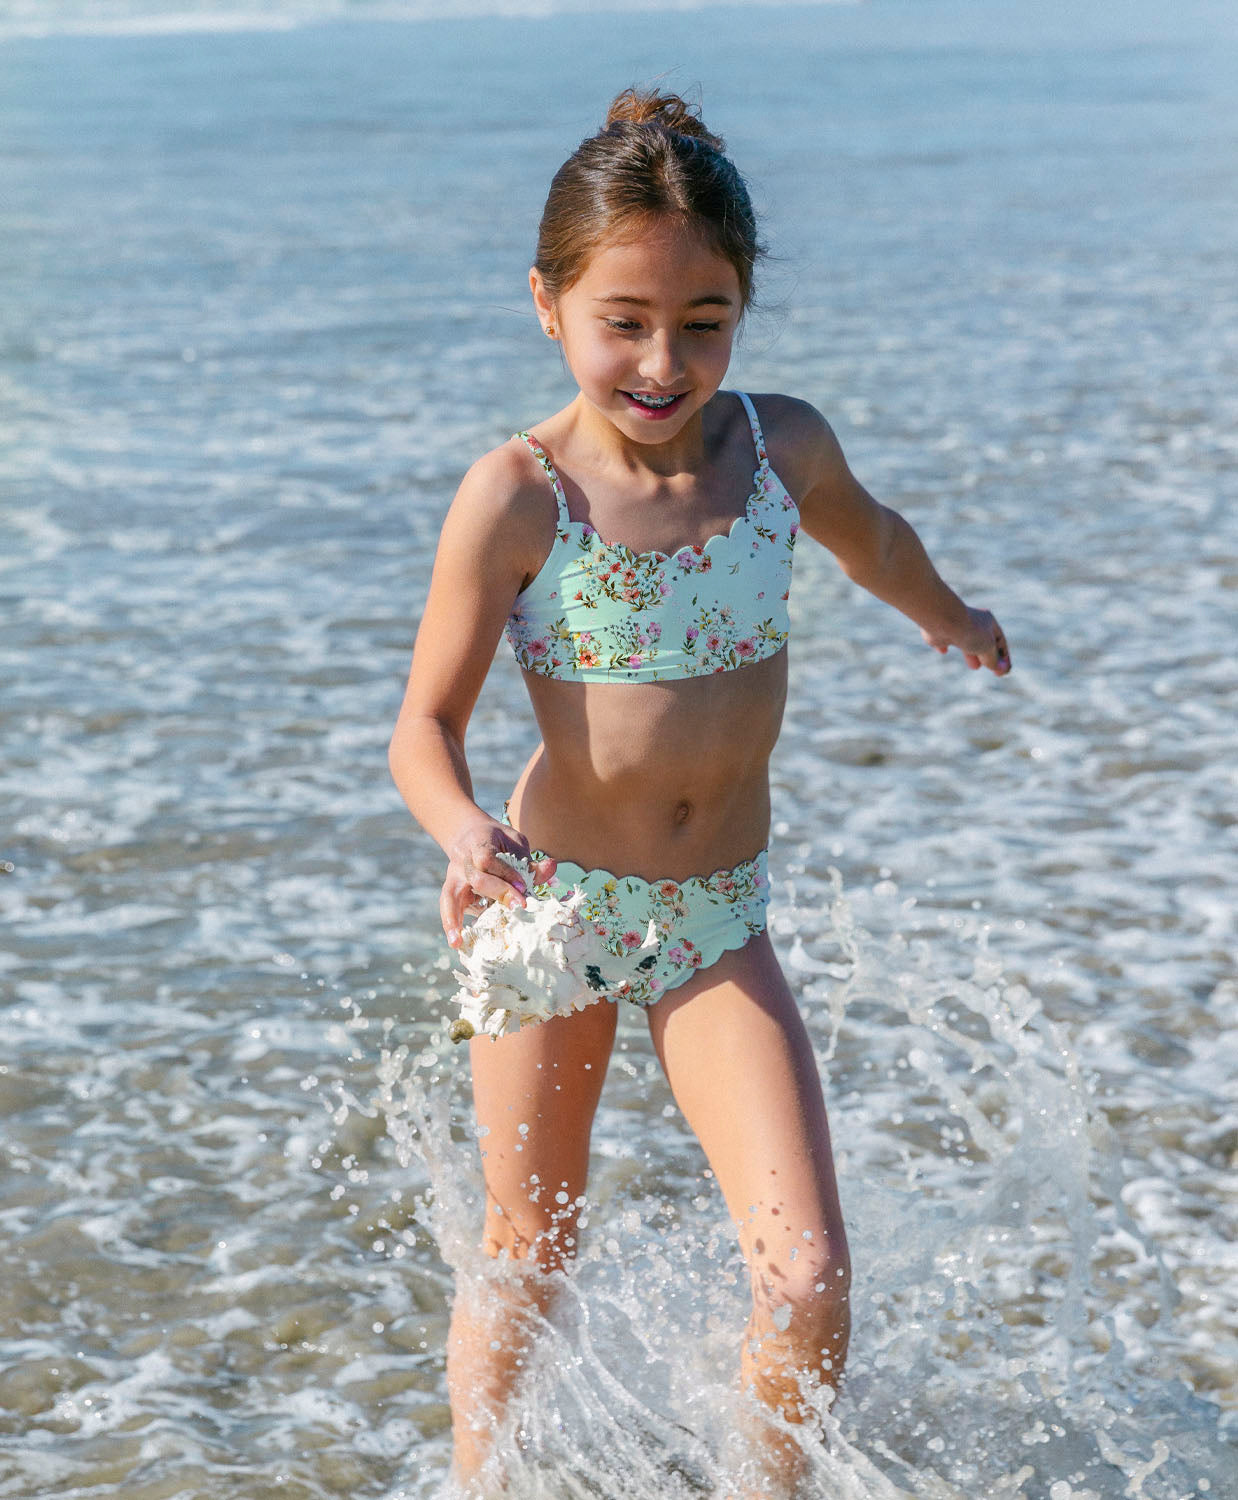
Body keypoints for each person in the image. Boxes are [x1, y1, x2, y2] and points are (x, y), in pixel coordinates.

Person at [388, 86, 1011, 1495]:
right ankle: (481, 1482)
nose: (663, 360)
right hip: (551, 911)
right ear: (546, 304)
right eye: (624, 319)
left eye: (703, 319)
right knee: (528, 1244)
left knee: (801, 1277)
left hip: (716, 916)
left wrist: (948, 613)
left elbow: (875, 537)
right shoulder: (519, 494)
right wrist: (463, 828)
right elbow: (421, 726)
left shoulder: (777, 451)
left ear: (744, 305)